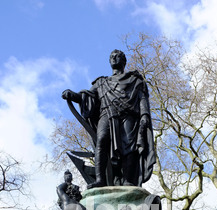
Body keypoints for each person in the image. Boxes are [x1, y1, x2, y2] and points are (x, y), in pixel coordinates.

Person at [62, 50, 155, 188]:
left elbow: (142, 98)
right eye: (111, 56)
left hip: (128, 114)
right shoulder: (101, 82)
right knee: (101, 140)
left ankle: (128, 180)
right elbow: (87, 97)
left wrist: (145, 115)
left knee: (129, 146)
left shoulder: (135, 80)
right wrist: (73, 95)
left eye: (117, 56)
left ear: (123, 61)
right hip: (106, 113)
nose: (113, 58)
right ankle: (100, 180)